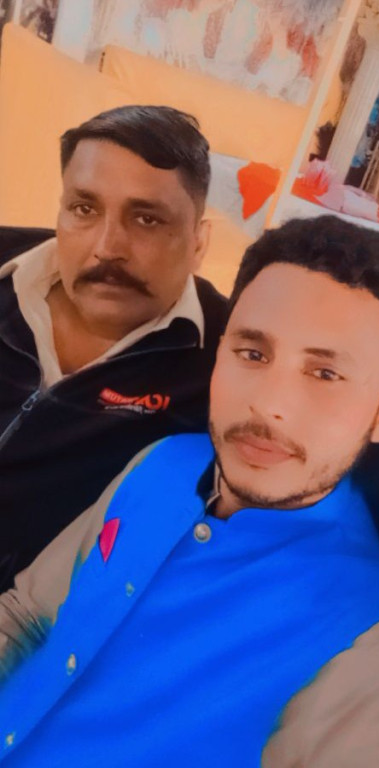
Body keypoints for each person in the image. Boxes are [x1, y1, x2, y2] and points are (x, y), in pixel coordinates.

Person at [1, 216, 379, 767]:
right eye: (253, 354)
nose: (269, 404)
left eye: (325, 374)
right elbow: (28, 614)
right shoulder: (164, 461)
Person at [0, 104, 228, 590]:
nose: (107, 247)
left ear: (199, 242)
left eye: (146, 219)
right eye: (84, 209)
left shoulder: (229, 357)